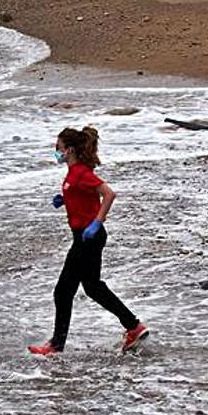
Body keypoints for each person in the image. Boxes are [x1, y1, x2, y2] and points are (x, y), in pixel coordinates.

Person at [28, 126, 149, 356]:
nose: (56, 152)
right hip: (84, 236)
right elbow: (82, 193)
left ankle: (56, 346)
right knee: (92, 287)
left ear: (69, 150)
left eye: (58, 148)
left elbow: (108, 193)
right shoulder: (74, 173)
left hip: (88, 237)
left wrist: (97, 222)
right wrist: (65, 200)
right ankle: (133, 326)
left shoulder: (81, 172)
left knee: (63, 291)